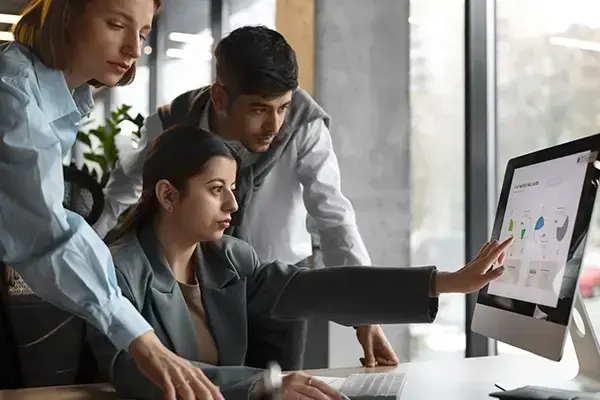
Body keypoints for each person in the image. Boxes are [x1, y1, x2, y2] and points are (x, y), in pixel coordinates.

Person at [87, 124, 512, 400]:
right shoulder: (115, 271)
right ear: (167, 195)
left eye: (233, 188)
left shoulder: (230, 259)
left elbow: (317, 289)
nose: (233, 203)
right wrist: (262, 385)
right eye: (217, 189)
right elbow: (137, 373)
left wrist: (446, 282)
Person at [93, 25, 396, 371]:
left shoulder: (304, 124)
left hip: (278, 289)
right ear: (220, 98)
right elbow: (120, 194)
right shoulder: (174, 123)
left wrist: (366, 312)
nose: (275, 125)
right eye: (259, 110)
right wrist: (84, 263)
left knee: (280, 392)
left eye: (283, 107)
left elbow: (334, 218)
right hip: (196, 288)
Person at [0, 1, 223, 398]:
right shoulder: (13, 94)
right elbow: (49, 232)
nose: (134, 50)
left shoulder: (50, 91)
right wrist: (141, 338)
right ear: (66, 15)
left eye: (141, 34)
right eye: (117, 25)